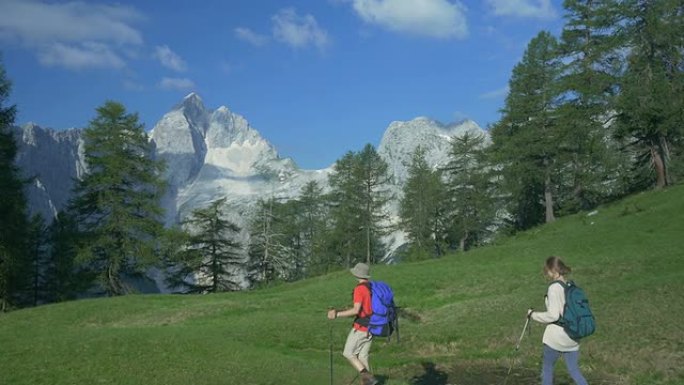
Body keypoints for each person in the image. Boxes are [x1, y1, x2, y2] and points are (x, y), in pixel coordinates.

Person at [527, 256, 589, 385]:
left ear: (552, 270)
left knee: (547, 368)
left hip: (557, 337)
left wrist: (533, 315)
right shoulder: (569, 286)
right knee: (574, 370)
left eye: (547, 271)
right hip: (573, 335)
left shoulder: (554, 288)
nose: (546, 274)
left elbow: (553, 315)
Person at [327, 262, 378, 385]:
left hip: (361, 328)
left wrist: (336, 314)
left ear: (356, 274)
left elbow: (356, 310)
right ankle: (366, 381)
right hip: (372, 326)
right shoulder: (371, 287)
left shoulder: (359, 289)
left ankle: (369, 377)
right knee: (362, 356)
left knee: (348, 353)